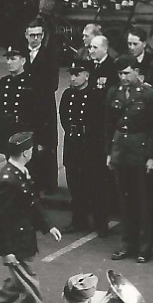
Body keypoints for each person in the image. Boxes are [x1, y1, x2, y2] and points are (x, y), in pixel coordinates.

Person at [0, 132, 61, 303]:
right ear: (25, 153)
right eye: (31, 150)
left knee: (20, 281)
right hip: (15, 243)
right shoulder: (7, 181)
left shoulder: (20, 172)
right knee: (31, 288)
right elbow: (0, 220)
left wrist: (48, 226)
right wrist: (6, 251)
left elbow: (32, 203)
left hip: (24, 237)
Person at [105, 55, 153, 263]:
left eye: (127, 73)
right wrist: (109, 152)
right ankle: (127, 243)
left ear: (137, 72)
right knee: (125, 200)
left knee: (143, 201)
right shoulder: (114, 92)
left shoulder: (148, 95)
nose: (123, 77)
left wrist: (152, 156)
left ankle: (144, 247)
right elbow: (109, 124)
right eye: (120, 73)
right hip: (120, 150)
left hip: (140, 151)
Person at [59, 61, 110, 236]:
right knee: (75, 185)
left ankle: (100, 222)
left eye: (77, 74)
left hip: (91, 145)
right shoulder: (68, 95)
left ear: (87, 75)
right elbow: (64, 116)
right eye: (72, 74)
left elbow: (100, 121)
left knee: (95, 186)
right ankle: (78, 220)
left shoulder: (96, 95)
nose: (73, 78)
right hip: (73, 144)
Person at [22, 20, 60, 194]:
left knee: (46, 145)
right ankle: (30, 181)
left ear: (43, 36)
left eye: (38, 35)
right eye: (32, 35)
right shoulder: (21, 54)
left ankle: (48, 184)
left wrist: (32, 85)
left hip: (44, 107)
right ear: (26, 35)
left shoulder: (50, 55)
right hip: (26, 108)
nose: (35, 38)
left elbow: (53, 83)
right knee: (27, 145)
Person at [0, 45, 32, 156]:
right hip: (7, 131)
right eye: (8, 59)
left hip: (23, 131)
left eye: (13, 59)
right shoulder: (4, 82)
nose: (9, 62)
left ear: (23, 61)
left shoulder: (31, 81)